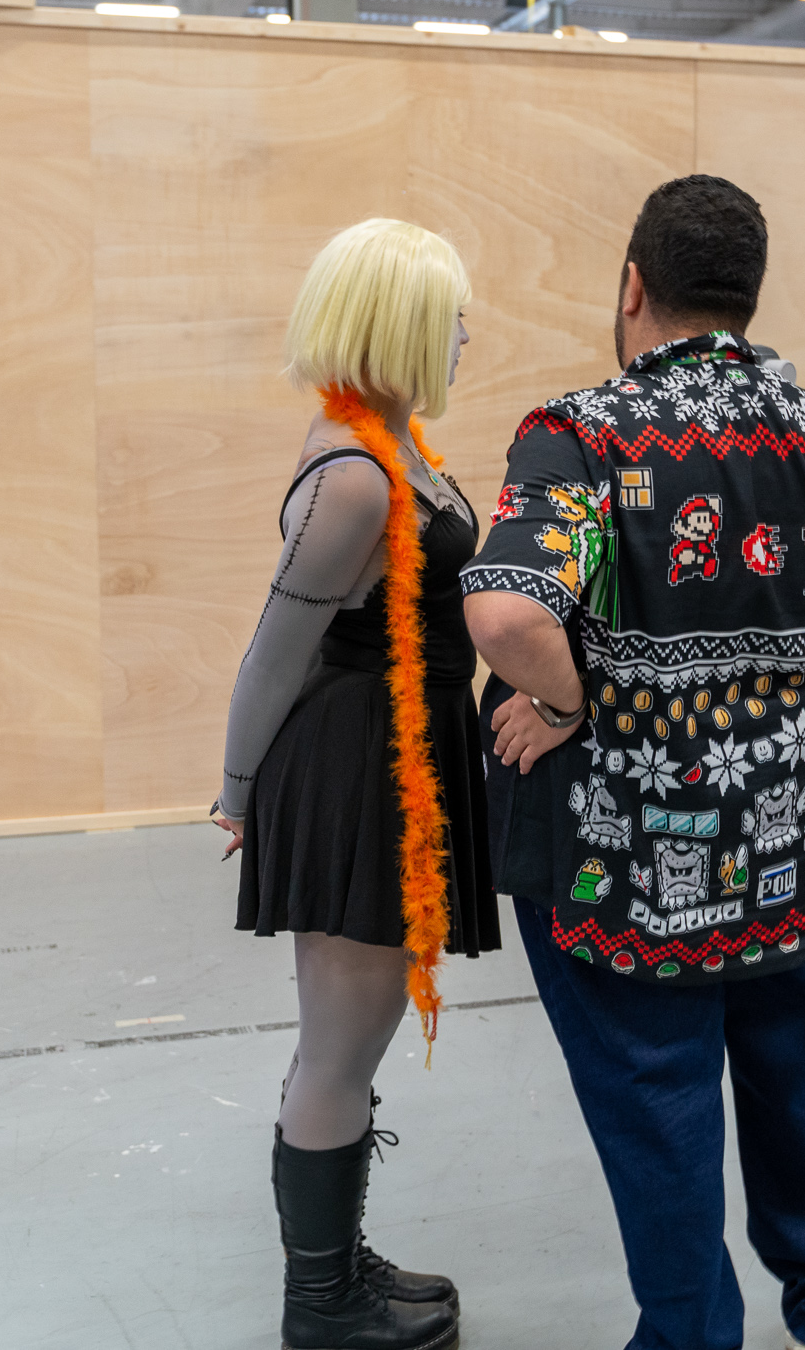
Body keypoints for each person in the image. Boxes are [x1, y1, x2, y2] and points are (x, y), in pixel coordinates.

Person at [462, 174, 805, 1350]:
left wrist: (565, 698)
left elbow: (506, 613)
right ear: (746, 294)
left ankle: (692, 1333)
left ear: (632, 287)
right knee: (802, 1069)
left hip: (638, 873)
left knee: (657, 1103)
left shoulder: (581, 437)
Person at [213, 218, 498, 1350]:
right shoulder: (352, 479)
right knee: (340, 1047)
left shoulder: (392, 445)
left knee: (348, 1042)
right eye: (450, 317)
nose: (465, 335)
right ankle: (321, 1304)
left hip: (399, 751)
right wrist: (238, 791)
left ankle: (336, 1268)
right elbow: (274, 650)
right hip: (360, 769)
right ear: (400, 326)